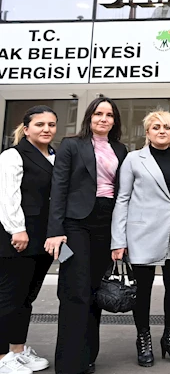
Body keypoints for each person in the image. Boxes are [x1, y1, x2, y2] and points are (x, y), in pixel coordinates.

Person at [44, 98, 128, 374]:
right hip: (76, 224)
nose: (103, 119)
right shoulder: (71, 144)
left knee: (94, 291)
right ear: (89, 117)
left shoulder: (120, 149)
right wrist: (55, 231)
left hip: (106, 222)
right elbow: (59, 189)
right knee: (75, 291)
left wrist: (121, 237)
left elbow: (124, 193)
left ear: (115, 121)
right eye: (98, 113)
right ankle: (69, 364)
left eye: (109, 115)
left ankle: (88, 356)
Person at [110, 111, 170, 367]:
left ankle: (169, 338)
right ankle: (143, 339)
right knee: (143, 291)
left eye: (167, 127)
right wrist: (118, 240)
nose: (162, 131)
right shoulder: (133, 159)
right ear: (147, 132)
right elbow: (123, 199)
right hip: (142, 233)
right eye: (156, 127)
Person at [0, 106, 57, 374]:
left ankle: (17, 350)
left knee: (26, 297)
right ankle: (2, 357)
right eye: (40, 124)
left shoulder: (55, 156)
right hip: (18, 237)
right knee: (8, 297)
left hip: (42, 238)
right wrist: (17, 229)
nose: (46, 129)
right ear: (26, 129)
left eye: (51, 124)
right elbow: (7, 196)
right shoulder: (12, 156)